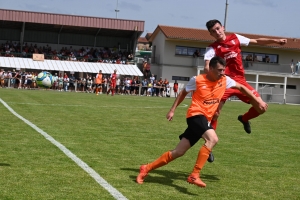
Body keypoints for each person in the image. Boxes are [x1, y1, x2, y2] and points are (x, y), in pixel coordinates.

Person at [136, 56, 268, 187]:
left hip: (205, 119)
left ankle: (146, 168)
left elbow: (242, 88)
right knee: (213, 139)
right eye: (219, 70)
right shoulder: (197, 80)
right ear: (210, 68)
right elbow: (183, 93)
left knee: (179, 152)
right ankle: (194, 175)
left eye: (223, 70)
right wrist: (172, 110)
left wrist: (257, 100)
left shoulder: (225, 80)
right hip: (195, 115)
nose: (222, 73)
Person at [204, 19, 287, 134]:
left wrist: (276, 41)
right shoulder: (212, 48)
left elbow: (257, 41)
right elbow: (207, 66)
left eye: (218, 28)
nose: (217, 32)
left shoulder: (235, 38)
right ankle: (208, 148)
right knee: (215, 114)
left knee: (261, 107)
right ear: (211, 34)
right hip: (223, 83)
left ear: (223, 27)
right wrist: (212, 77)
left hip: (240, 81)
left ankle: (244, 119)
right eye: (213, 31)